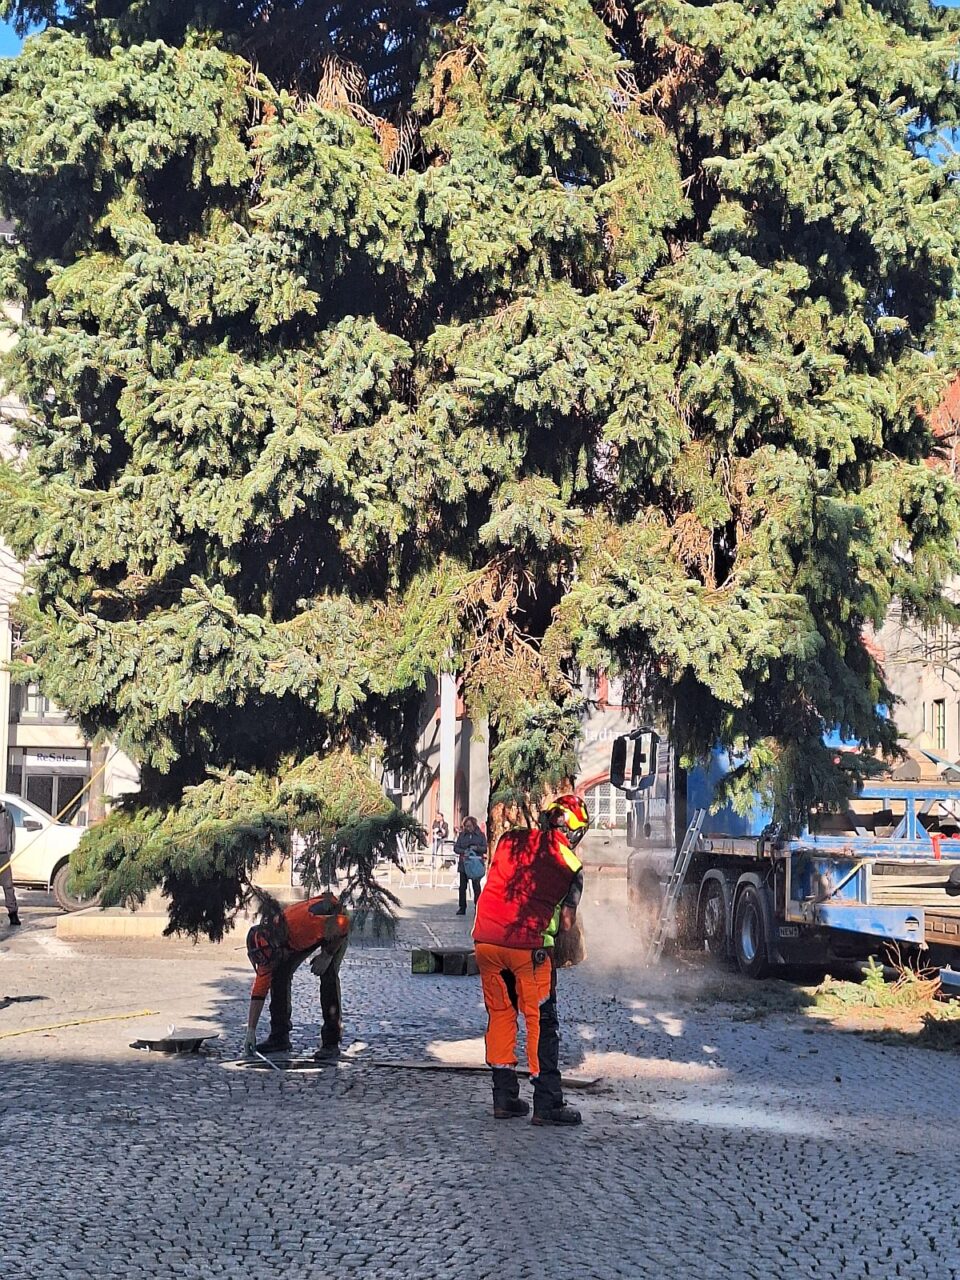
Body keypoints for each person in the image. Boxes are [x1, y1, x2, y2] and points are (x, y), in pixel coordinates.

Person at [472, 794, 589, 1127]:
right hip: (529, 949)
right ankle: (547, 1103)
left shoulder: (511, 840)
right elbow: (566, 922)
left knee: (501, 1015)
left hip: (486, 942)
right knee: (541, 1023)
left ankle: (504, 1097)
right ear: (576, 832)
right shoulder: (572, 866)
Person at [243, 890, 350, 1059]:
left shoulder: (302, 925)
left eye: (274, 959)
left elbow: (343, 924)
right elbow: (258, 992)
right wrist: (251, 1031)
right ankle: (279, 1037)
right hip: (300, 937)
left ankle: (331, 1042)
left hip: (333, 925)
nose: (271, 964)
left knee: (328, 974)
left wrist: (328, 954)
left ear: (279, 947)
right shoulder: (268, 950)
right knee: (279, 975)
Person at [454, 816, 487, 915]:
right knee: (462, 887)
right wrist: (464, 851)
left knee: (476, 887)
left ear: (474, 825)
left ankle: (478, 906)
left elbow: (485, 848)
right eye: (466, 826)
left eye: (469, 826)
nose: (468, 828)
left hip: (475, 864)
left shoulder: (480, 835)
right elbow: (456, 848)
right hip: (464, 864)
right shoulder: (462, 835)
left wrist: (476, 848)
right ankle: (462, 907)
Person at [0, 801, 19, 927]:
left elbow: (12, 832)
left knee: (8, 885)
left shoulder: (6, 813)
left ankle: (13, 914)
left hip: (4, 855)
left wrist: (11, 849)